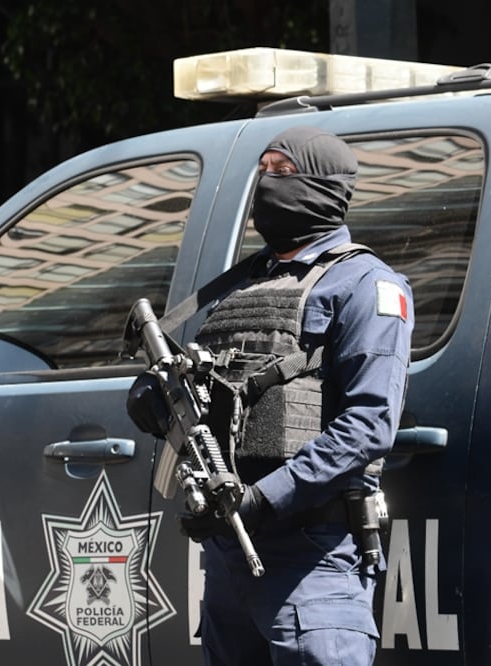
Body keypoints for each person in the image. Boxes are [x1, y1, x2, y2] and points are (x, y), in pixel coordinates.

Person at [128, 125, 413, 666]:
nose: (266, 185)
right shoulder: (244, 285)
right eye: (262, 171)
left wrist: (265, 499)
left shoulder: (366, 286)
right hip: (230, 561)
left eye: (282, 172)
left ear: (323, 188)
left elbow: (369, 426)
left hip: (311, 557)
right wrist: (155, 399)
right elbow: (216, 393)